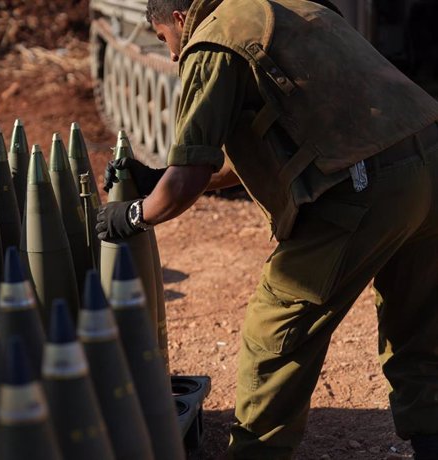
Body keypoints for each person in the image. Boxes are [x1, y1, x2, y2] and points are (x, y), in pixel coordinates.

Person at [95, 0, 438, 458]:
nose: (173, 55)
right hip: (429, 161)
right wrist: (161, 178)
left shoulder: (213, 40)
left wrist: (135, 214)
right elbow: (267, 140)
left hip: (366, 186)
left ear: (179, 19)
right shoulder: (285, 5)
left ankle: (256, 452)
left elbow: (189, 181)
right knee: (418, 320)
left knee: (275, 332)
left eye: (164, 41)